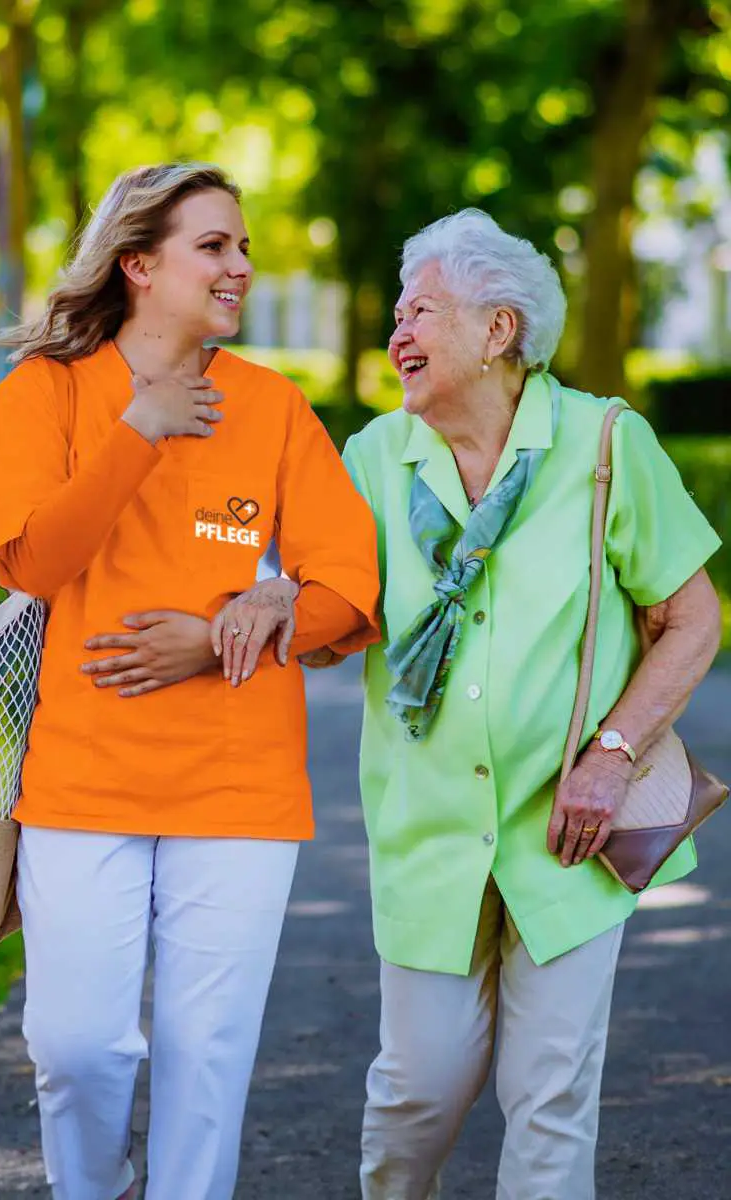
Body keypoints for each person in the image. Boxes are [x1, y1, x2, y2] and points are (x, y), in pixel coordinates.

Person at [0, 162, 379, 1200]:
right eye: (215, 246)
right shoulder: (46, 395)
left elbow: (351, 588)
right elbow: (28, 560)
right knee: (76, 1047)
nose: (240, 266)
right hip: (78, 777)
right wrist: (138, 431)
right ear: (139, 265)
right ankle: (93, 1187)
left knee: (208, 1059)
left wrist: (251, 618)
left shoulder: (272, 407)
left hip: (236, 784)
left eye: (244, 246)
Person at [305, 208, 722, 1199]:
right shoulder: (373, 458)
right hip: (428, 832)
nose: (397, 331)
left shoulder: (605, 444)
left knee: (548, 1099)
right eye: (395, 312)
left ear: (499, 331)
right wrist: (278, 598)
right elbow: (331, 616)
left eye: (422, 311)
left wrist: (611, 754)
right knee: (414, 1095)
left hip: (570, 832)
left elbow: (691, 619)